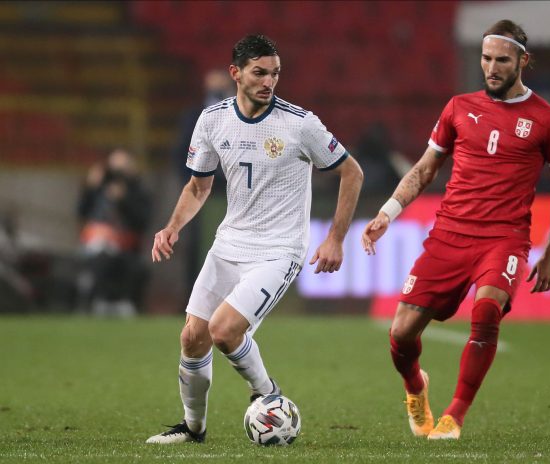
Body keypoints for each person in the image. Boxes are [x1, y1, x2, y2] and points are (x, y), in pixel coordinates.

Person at [361, 19, 550, 440]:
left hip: (504, 238)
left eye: (502, 60)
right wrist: (387, 212)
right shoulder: (458, 107)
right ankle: (416, 386)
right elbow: (424, 169)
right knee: (401, 334)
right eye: (486, 59)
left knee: (486, 312)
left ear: (523, 61)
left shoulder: (547, 120)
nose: (492, 68)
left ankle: (454, 416)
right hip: (449, 234)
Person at [147, 34, 363, 444]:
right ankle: (193, 429)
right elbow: (198, 186)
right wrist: (173, 226)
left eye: (275, 73)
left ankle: (268, 394)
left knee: (225, 330)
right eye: (260, 73)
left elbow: (352, 172)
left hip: (279, 250)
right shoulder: (212, 120)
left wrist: (335, 238)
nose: (269, 82)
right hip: (230, 243)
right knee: (192, 337)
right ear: (236, 73)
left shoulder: (300, 124)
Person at [170, 69, 236, 298]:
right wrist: (193, 182)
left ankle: (234, 296)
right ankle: (193, 295)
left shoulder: (242, 115)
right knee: (198, 245)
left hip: (234, 193)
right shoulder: (194, 116)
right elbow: (181, 154)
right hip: (203, 191)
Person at [76, 148, 151, 316]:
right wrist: (90, 187)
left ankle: (122, 302)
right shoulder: (98, 190)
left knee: (130, 266)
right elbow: (81, 212)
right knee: (100, 259)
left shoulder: (138, 192)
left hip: (126, 247)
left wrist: (124, 200)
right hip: (96, 245)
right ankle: (99, 300)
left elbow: (142, 221)